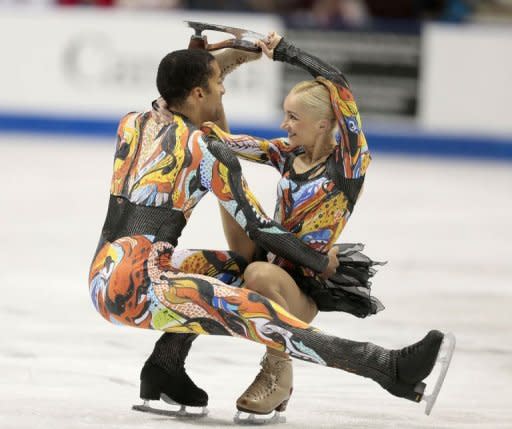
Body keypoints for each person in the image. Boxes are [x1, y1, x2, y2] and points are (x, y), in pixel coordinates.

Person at [88, 43, 454, 420]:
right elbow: (259, 226)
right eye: (218, 85)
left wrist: (217, 60)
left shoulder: (133, 123)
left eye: (294, 117)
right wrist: (318, 261)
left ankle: (164, 368)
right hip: (139, 289)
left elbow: (176, 94)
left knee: (236, 267)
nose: (223, 90)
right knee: (248, 306)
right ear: (199, 93)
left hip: (103, 273)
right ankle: (388, 368)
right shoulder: (212, 151)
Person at [200, 30, 385, 419]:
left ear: (322, 124)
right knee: (221, 167)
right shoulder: (289, 154)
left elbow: (340, 86)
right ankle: (218, 73)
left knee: (259, 274)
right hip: (270, 253)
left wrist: (287, 52)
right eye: (285, 115)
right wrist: (208, 130)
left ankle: (276, 372)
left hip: (302, 283)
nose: (284, 124)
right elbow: (241, 144)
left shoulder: (348, 166)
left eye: (293, 117)